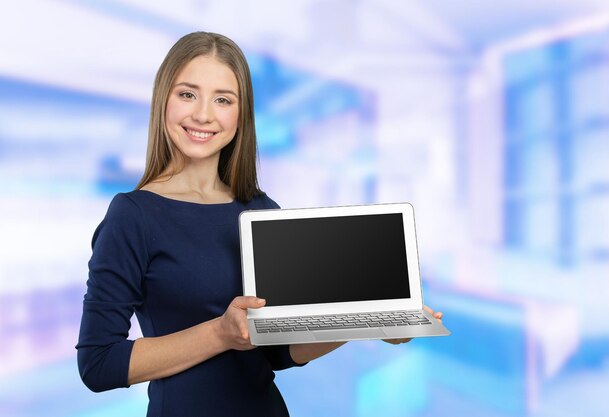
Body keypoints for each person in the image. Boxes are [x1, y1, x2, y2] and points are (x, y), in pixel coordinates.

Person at [76, 31, 443, 417]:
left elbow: (279, 351)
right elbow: (99, 363)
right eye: (188, 94)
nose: (203, 114)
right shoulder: (133, 216)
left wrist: (368, 323)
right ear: (163, 100)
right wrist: (220, 333)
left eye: (222, 99)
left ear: (241, 113)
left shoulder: (262, 210)